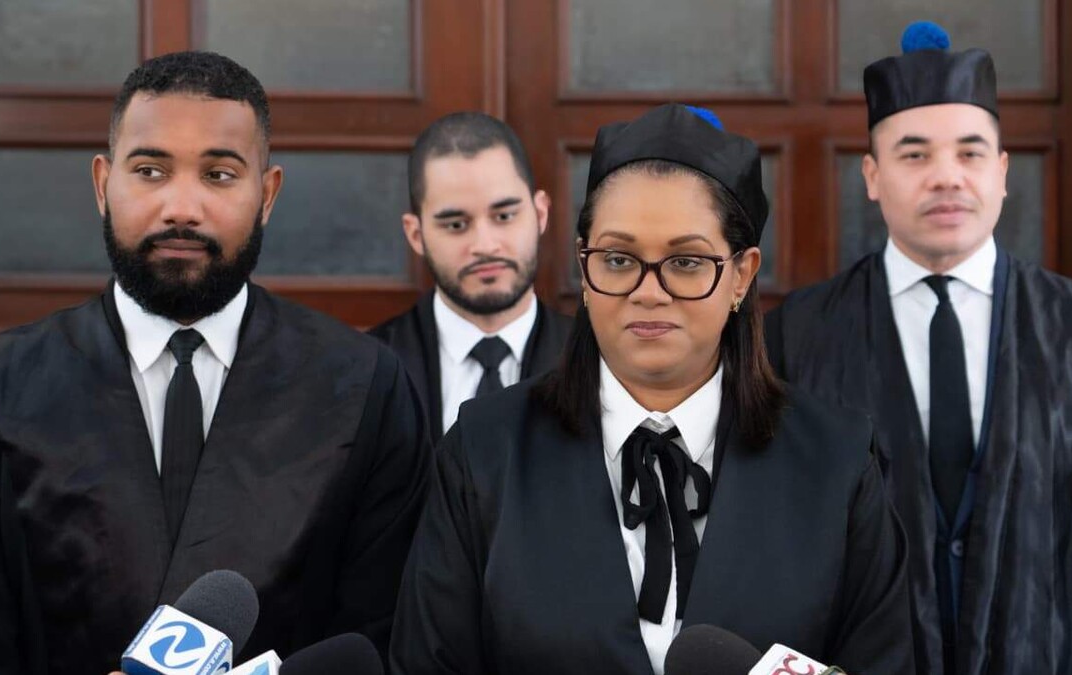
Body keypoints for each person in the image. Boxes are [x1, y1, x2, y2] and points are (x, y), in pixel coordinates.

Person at [0, 51, 431, 674]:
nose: (182, 207)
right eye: (151, 170)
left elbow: (389, 635)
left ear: (267, 194)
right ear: (103, 184)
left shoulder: (362, 385)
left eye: (219, 174)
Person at [389, 103, 914, 675]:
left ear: (741, 275)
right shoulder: (484, 452)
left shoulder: (835, 462)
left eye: (686, 262)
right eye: (618, 259)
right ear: (584, 269)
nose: (648, 292)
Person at [766, 22, 1072, 675]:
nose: (946, 177)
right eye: (914, 154)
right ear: (872, 175)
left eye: (970, 153)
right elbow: (775, 548)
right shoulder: (798, 335)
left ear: (1002, 171)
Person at [369, 113, 572, 442]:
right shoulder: (366, 369)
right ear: (416, 235)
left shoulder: (600, 364)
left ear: (540, 214)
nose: (485, 246)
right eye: (456, 225)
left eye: (504, 216)